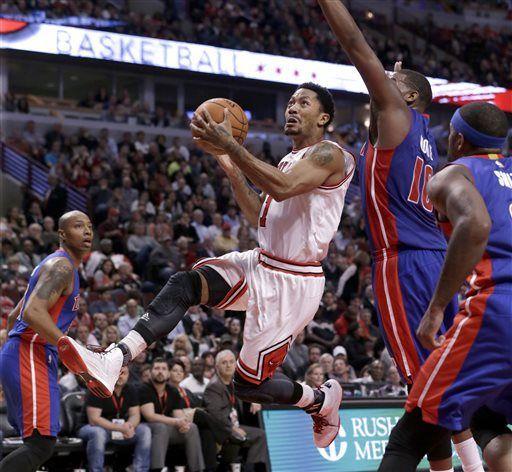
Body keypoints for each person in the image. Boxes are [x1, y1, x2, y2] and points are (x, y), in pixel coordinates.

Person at [58, 82, 355, 448]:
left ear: (323, 117)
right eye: (290, 102)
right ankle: (116, 357)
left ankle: (320, 401)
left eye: (303, 103)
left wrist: (232, 144)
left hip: (294, 281)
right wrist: (230, 165)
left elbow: (281, 187)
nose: (292, 108)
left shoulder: (331, 154)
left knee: (249, 386)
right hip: (261, 262)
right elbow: (258, 216)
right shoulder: (288, 159)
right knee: (186, 284)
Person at [317, 1, 482, 470]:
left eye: (392, 84)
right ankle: (447, 468)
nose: (382, 84)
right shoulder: (424, 134)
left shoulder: (394, 115)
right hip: (436, 258)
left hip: (403, 262)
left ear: (406, 98)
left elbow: (355, 46)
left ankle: (472, 467)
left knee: (425, 378)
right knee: (437, 376)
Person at [379, 103, 512, 472]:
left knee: (409, 437)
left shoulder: (453, 175)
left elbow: (475, 224)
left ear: (456, 138)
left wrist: (437, 307)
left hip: (496, 311)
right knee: (487, 422)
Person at [0, 211, 92, 471]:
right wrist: (72, 348)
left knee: (37, 443)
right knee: (41, 445)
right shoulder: (61, 267)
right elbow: (31, 313)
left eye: (89, 226)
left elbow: (13, 316)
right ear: (62, 234)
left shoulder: (60, 266)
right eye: (78, 226)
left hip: (26, 354)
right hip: (30, 353)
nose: (87, 232)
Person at [203, 350, 268, 471]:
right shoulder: (214, 386)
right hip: (222, 430)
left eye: (231, 362)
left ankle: (250, 468)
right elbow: (215, 415)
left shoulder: (234, 382)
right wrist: (233, 428)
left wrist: (254, 400)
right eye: (224, 362)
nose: (228, 365)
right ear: (217, 367)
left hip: (233, 426)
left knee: (260, 434)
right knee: (259, 436)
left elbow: (249, 391)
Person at [77, 366, 151, 472]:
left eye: (124, 373)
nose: (120, 376)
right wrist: (121, 428)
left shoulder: (130, 389)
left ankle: (140, 470)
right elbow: (94, 419)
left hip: (120, 428)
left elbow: (135, 415)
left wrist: (129, 426)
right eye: (118, 373)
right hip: (91, 427)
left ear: (128, 375)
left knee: (144, 430)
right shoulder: (98, 388)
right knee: (98, 433)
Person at [139, 358, 205, 472]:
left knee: (191, 428)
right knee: (161, 427)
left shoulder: (172, 390)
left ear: (168, 373)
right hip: (146, 427)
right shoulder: (144, 388)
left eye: (164, 369)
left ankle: (197, 469)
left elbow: (178, 414)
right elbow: (150, 416)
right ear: (151, 372)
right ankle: (157, 469)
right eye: (157, 368)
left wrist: (183, 424)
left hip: (165, 428)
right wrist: (176, 422)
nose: (160, 371)